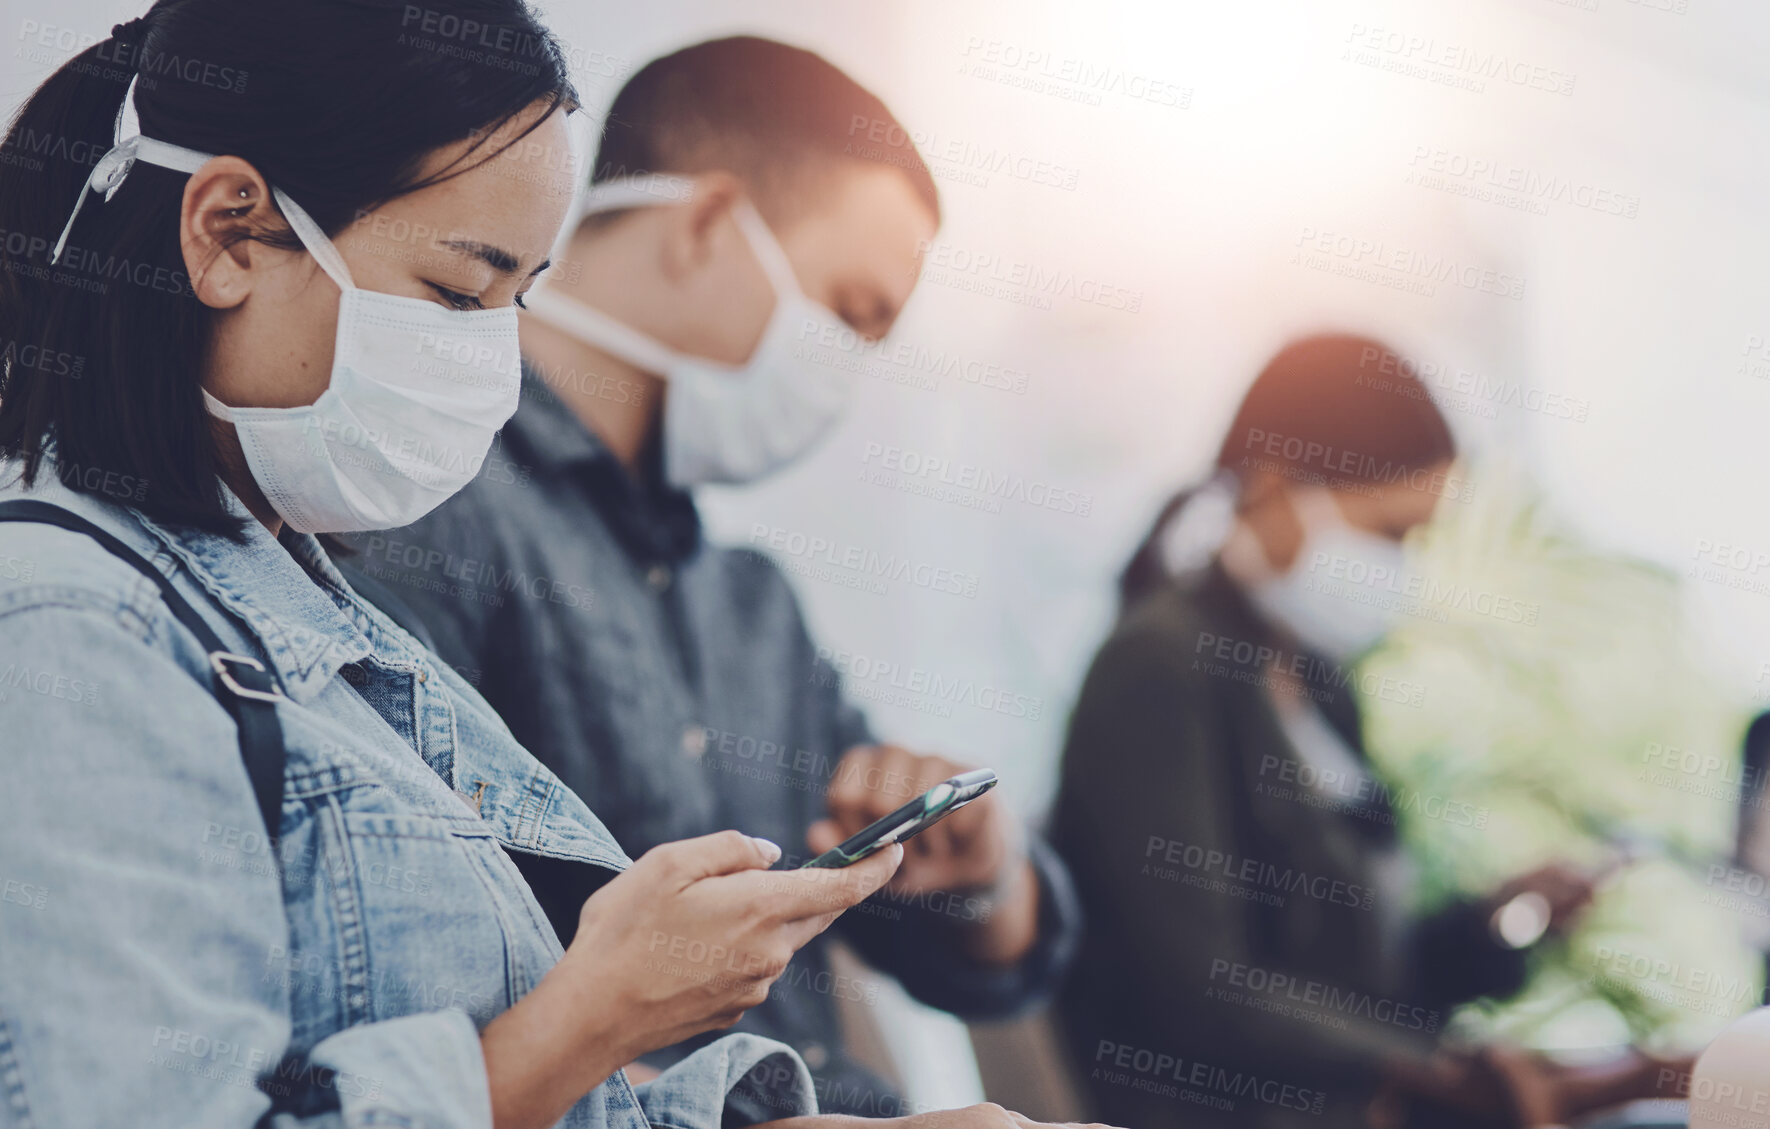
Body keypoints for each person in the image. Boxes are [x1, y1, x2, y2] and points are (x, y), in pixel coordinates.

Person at [0, 7, 1106, 1129]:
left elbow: (962, 958)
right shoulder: (107, 618)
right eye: (459, 294)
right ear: (231, 236)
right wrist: (603, 1011)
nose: (491, 358)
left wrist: (976, 882)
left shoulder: (718, 603)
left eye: (516, 298)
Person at [339, 36, 1082, 1117]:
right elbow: (412, 997)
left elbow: (980, 968)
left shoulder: (750, 606)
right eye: (854, 312)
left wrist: (987, 872)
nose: (852, 369)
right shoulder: (424, 514)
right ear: (703, 225)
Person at [1050, 334, 1673, 1129]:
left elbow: (1363, 973)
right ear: (1275, 487)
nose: (1402, 565)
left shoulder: (1318, 681)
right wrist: (1428, 1070)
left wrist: (1496, 921)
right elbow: (1200, 990)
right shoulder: (1159, 667)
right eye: (1390, 533)